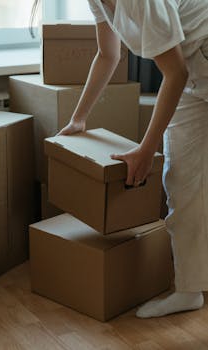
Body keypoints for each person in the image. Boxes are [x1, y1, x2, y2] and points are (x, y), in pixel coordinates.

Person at [58, 0, 208, 318]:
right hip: (190, 74)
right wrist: (79, 118)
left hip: (193, 61)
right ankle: (189, 289)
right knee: (179, 179)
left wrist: (145, 148)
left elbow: (174, 72)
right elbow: (107, 54)